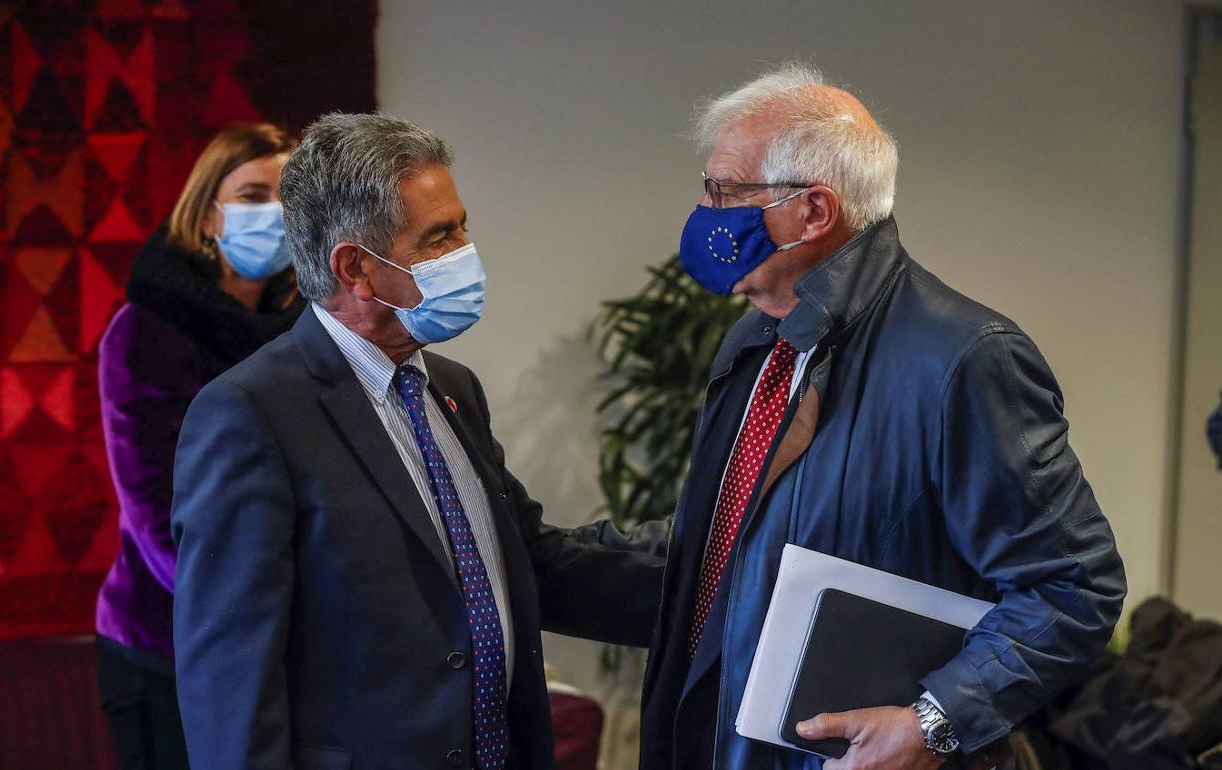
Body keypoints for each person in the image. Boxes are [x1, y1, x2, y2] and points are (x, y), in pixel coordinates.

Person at [635, 63, 1127, 770]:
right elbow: (734, 534)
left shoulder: (963, 358)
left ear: (813, 211)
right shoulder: (754, 342)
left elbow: (1074, 586)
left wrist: (934, 720)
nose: (707, 211)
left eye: (727, 191)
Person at [169, 113, 665, 770]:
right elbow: (232, 683)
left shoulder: (452, 387)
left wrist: (724, 567)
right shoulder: (250, 414)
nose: (466, 251)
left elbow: (529, 563)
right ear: (355, 268)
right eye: (439, 238)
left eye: (462, 227)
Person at [94, 122, 304, 769]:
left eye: (287, 196)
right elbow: (156, 514)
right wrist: (268, 620)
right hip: (172, 645)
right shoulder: (147, 331)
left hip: (286, 640)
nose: (271, 213)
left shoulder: (308, 329)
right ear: (208, 216)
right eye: (250, 195)